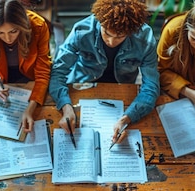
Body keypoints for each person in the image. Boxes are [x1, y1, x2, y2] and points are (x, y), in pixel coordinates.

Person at [48, 0, 160, 144]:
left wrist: (127, 118)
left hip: (122, 90)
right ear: (99, 21)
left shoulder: (145, 39)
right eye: (106, 33)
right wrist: (65, 106)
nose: (111, 42)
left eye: (120, 37)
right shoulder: (82, 31)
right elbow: (58, 72)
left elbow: (151, 87)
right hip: (82, 86)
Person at [0, 0, 51, 133]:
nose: (8, 39)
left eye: (14, 31)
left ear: (23, 26)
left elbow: (43, 71)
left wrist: (30, 108)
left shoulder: (38, 26)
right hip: (1, 78)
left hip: (30, 78)